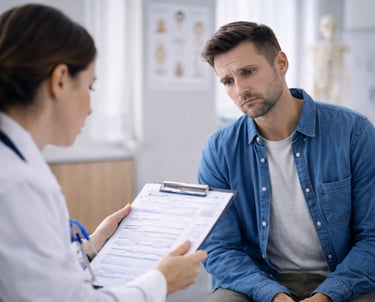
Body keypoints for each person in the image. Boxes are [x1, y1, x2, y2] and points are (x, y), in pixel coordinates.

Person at [0, 4, 207, 302]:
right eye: (90, 87)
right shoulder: (17, 185)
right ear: (59, 80)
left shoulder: (15, 164)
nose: (91, 107)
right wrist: (160, 282)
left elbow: (33, 274)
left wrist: (92, 247)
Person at [198, 21, 375, 302]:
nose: (240, 89)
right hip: (260, 278)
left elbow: (372, 237)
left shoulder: (353, 132)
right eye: (228, 81)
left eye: (248, 72)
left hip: (344, 276)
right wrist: (273, 295)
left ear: (280, 63)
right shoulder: (218, 150)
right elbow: (220, 248)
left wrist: (328, 295)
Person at [311, 14, 350, 105]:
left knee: (335, 109)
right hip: (318, 83)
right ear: (321, 28)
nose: (330, 30)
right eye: (327, 26)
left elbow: (345, 72)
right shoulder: (314, 48)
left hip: (334, 85)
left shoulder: (341, 48)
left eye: (333, 27)